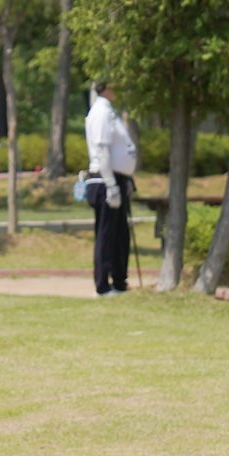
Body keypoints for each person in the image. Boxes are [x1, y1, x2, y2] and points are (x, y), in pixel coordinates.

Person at [84, 78, 138, 294]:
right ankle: (103, 285)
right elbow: (102, 149)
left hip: (118, 178)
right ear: (106, 88)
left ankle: (119, 280)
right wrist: (111, 184)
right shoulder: (101, 112)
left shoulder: (110, 111)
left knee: (120, 234)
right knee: (106, 234)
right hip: (106, 180)